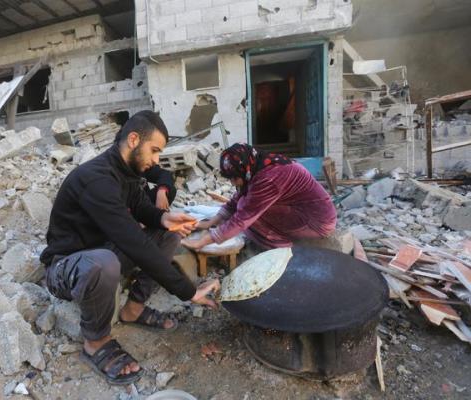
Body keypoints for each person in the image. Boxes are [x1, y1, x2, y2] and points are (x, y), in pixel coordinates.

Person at [40, 110, 220, 386]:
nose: (157, 160)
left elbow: (141, 208)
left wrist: (163, 218)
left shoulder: (127, 173)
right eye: (155, 150)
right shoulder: (97, 179)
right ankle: (96, 341)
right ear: (134, 139)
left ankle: (133, 309)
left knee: (169, 236)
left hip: (102, 255)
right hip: (66, 267)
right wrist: (188, 291)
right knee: (104, 262)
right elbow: (132, 241)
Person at [182, 143, 336, 251]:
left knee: (247, 214)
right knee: (244, 206)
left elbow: (243, 216)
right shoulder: (257, 165)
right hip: (302, 211)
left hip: (317, 221)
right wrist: (209, 224)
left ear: (244, 169)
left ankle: (281, 248)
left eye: (234, 178)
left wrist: (203, 241)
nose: (232, 182)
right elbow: (236, 199)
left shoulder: (269, 178)